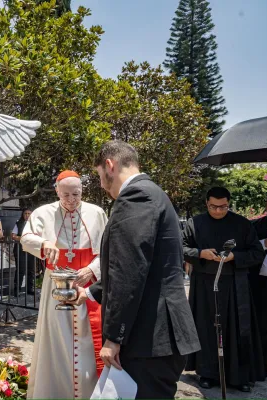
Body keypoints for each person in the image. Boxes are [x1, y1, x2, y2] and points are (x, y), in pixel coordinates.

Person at [77, 140, 200, 399]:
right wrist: (91, 292)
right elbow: (147, 265)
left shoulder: (134, 196)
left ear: (110, 165)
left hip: (148, 338)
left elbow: (128, 270)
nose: (101, 185)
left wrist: (113, 338)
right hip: (159, 337)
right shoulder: (153, 193)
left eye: (100, 176)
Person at [21, 171, 108, 399]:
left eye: (76, 194)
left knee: (89, 344)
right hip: (56, 286)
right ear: (57, 191)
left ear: (83, 191)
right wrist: (44, 242)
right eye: (66, 194)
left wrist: (92, 269)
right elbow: (25, 238)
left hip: (86, 286)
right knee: (56, 343)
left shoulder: (97, 213)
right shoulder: (43, 213)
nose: (71, 200)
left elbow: (107, 251)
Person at [183, 186, 265, 391]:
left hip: (236, 285)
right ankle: (207, 374)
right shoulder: (195, 223)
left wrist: (234, 256)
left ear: (229, 204)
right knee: (207, 328)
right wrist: (201, 253)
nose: (218, 211)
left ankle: (239, 377)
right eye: (213, 207)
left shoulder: (242, 224)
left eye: (223, 207)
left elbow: (256, 252)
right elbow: (180, 247)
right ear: (206, 204)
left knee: (237, 329)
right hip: (204, 285)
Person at [251, 190, 267, 377]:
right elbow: (246, 249)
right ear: (266, 204)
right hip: (260, 285)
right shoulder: (253, 226)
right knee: (261, 326)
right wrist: (265, 243)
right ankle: (258, 367)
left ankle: (266, 366)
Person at [11, 208, 36, 296]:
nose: (27, 215)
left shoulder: (35, 224)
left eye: (29, 213)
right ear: (23, 214)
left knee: (31, 270)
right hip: (20, 249)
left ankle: (30, 289)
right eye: (25, 213)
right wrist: (24, 238)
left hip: (31, 249)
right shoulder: (19, 223)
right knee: (20, 270)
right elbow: (13, 236)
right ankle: (17, 290)